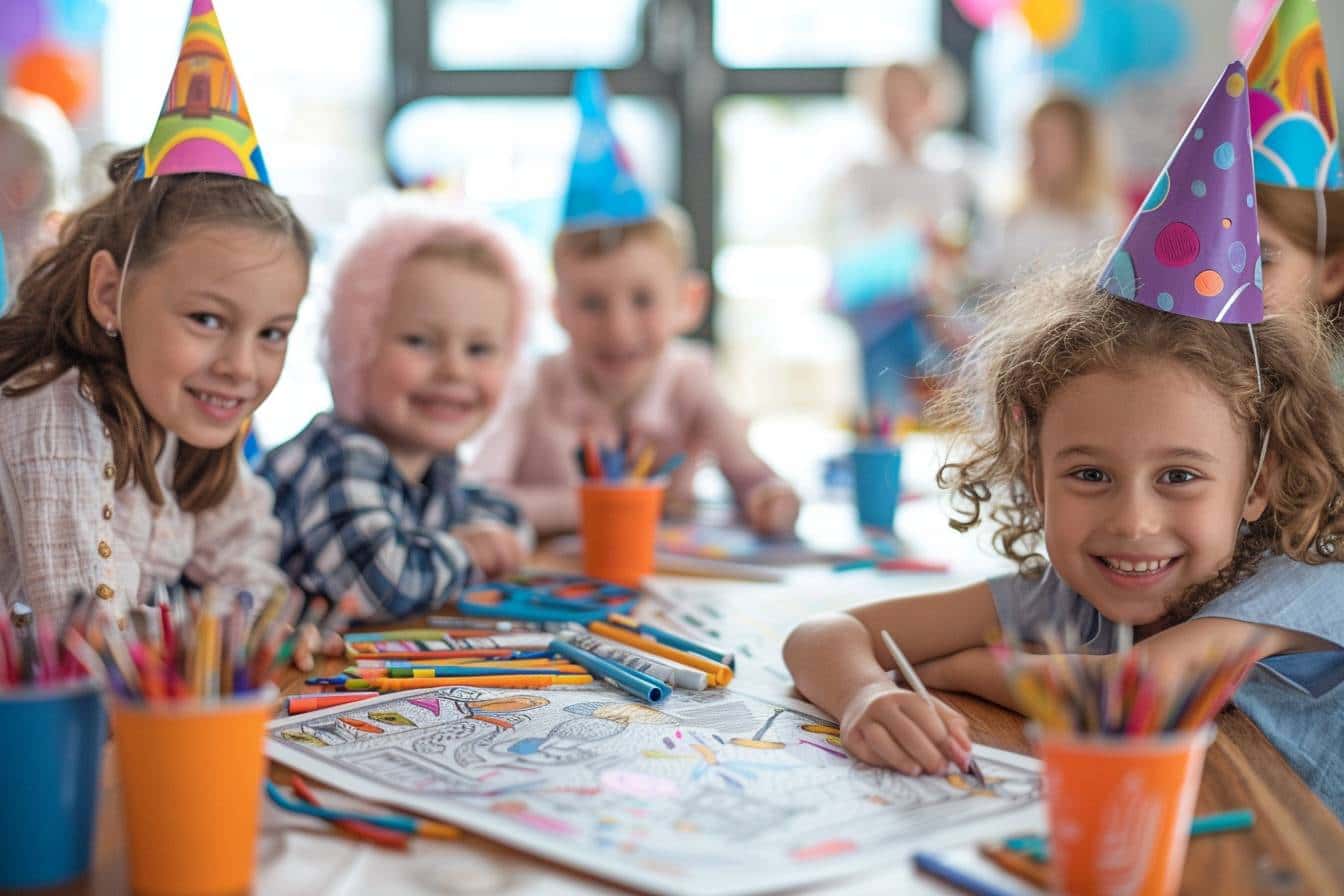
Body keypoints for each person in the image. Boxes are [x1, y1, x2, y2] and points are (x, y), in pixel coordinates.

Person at [785, 64, 1344, 819]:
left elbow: (1133, 693)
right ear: (1036, 475)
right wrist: (862, 698)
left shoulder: (1305, 579)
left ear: (1257, 483)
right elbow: (824, 634)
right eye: (1089, 475)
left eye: (1178, 477)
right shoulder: (1076, 597)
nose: (1131, 521)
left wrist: (967, 667)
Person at [470, 69, 799, 537]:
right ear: (556, 307)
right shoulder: (531, 386)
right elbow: (477, 497)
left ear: (689, 300)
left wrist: (772, 499)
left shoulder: (691, 378)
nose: (619, 328)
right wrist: (599, 507)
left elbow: (752, 477)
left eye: (643, 300)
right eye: (591, 303)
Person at [259, 206, 535, 619]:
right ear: (358, 344)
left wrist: (489, 538)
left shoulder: (434, 466)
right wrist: (470, 549)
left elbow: (506, 518)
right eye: (420, 341)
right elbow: (384, 583)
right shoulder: (341, 454)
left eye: (479, 350)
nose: (454, 369)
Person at [969, 92, 1123, 288]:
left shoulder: (1098, 217)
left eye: (1049, 138)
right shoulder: (1007, 208)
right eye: (1031, 138)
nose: (1035, 149)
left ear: (1081, 147)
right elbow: (983, 278)